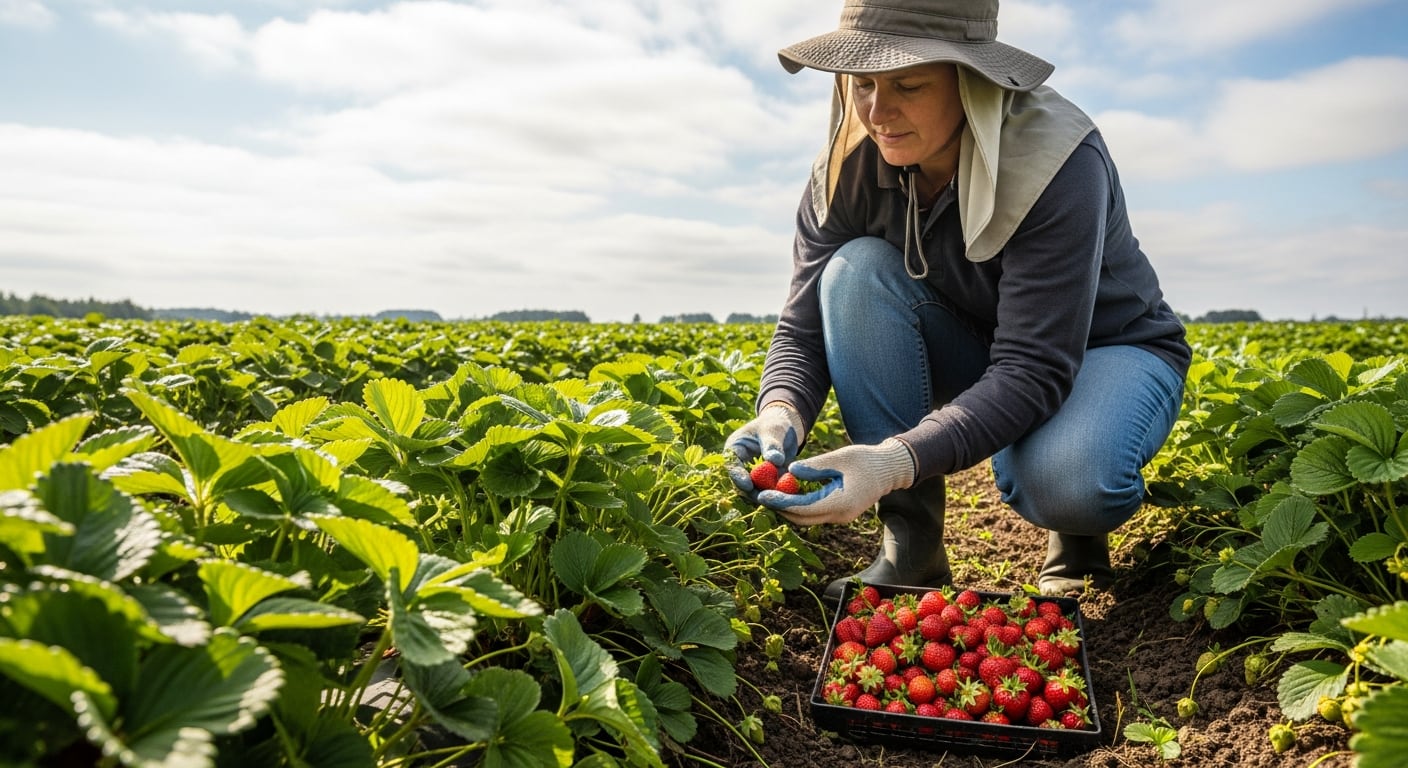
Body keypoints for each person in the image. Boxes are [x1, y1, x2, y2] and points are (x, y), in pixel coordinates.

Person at [724, 0, 1190, 600]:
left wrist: (892, 460)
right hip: (979, 342)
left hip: (1108, 348)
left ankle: (1075, 533)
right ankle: (911, 547)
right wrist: (781, 410)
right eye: (861, 83)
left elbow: (1032, 367)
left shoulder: (1058, 160)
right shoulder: (846, 166)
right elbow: (804, 325)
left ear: (972, 81)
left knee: (1067, 479)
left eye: (908, 85)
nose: (877, 111)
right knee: (853, 272)